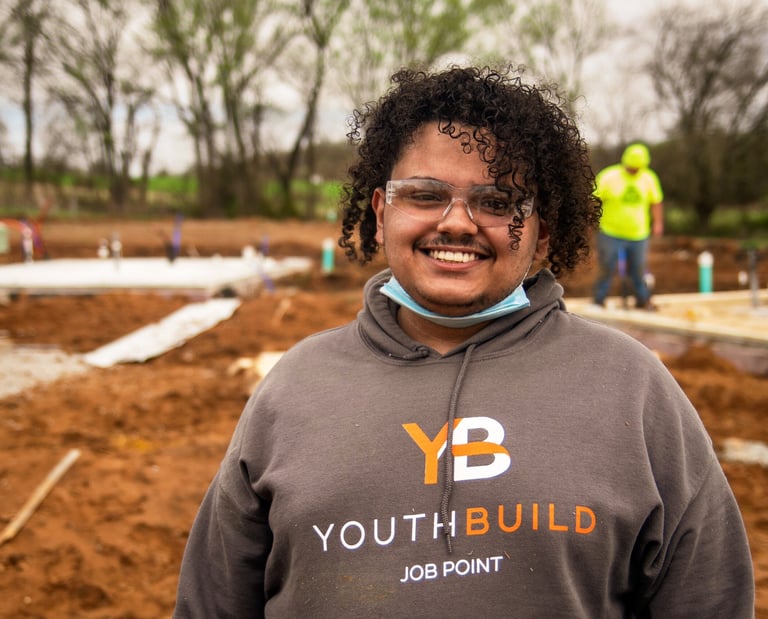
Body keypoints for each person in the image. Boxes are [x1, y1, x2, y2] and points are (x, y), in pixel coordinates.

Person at [174, 66, 754, 617]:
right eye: (425, 194)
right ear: (381, 213)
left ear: (543, 234)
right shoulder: (294, 389)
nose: (457, 223)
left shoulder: (631, 387)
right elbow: (212, 603)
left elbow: (709, 598)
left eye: (496, 202)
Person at [593, 142, 664, 310]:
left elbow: (656, 202)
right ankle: (598, 300)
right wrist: (591, 221)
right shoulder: (609, 176)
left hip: (638, 234)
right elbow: (594, 200)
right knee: (606, 267)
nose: (635, 170)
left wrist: (658, 223)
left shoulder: (649, 178)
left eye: (638, 168)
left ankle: (642, 300)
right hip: (610, 231)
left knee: (638, 270)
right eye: (632, 167)